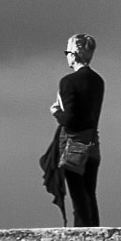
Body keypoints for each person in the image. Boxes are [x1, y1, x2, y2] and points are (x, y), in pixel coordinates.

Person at [51, 32, 105, 226]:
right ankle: (94, 232)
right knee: (90, 193)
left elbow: (70, 119)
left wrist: (56, 112)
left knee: (78, 196)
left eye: (67, 52)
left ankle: (82, 234)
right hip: (93, 145)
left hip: (74, 145)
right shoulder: (98, 81)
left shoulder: (68, 82)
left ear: (74, 54)